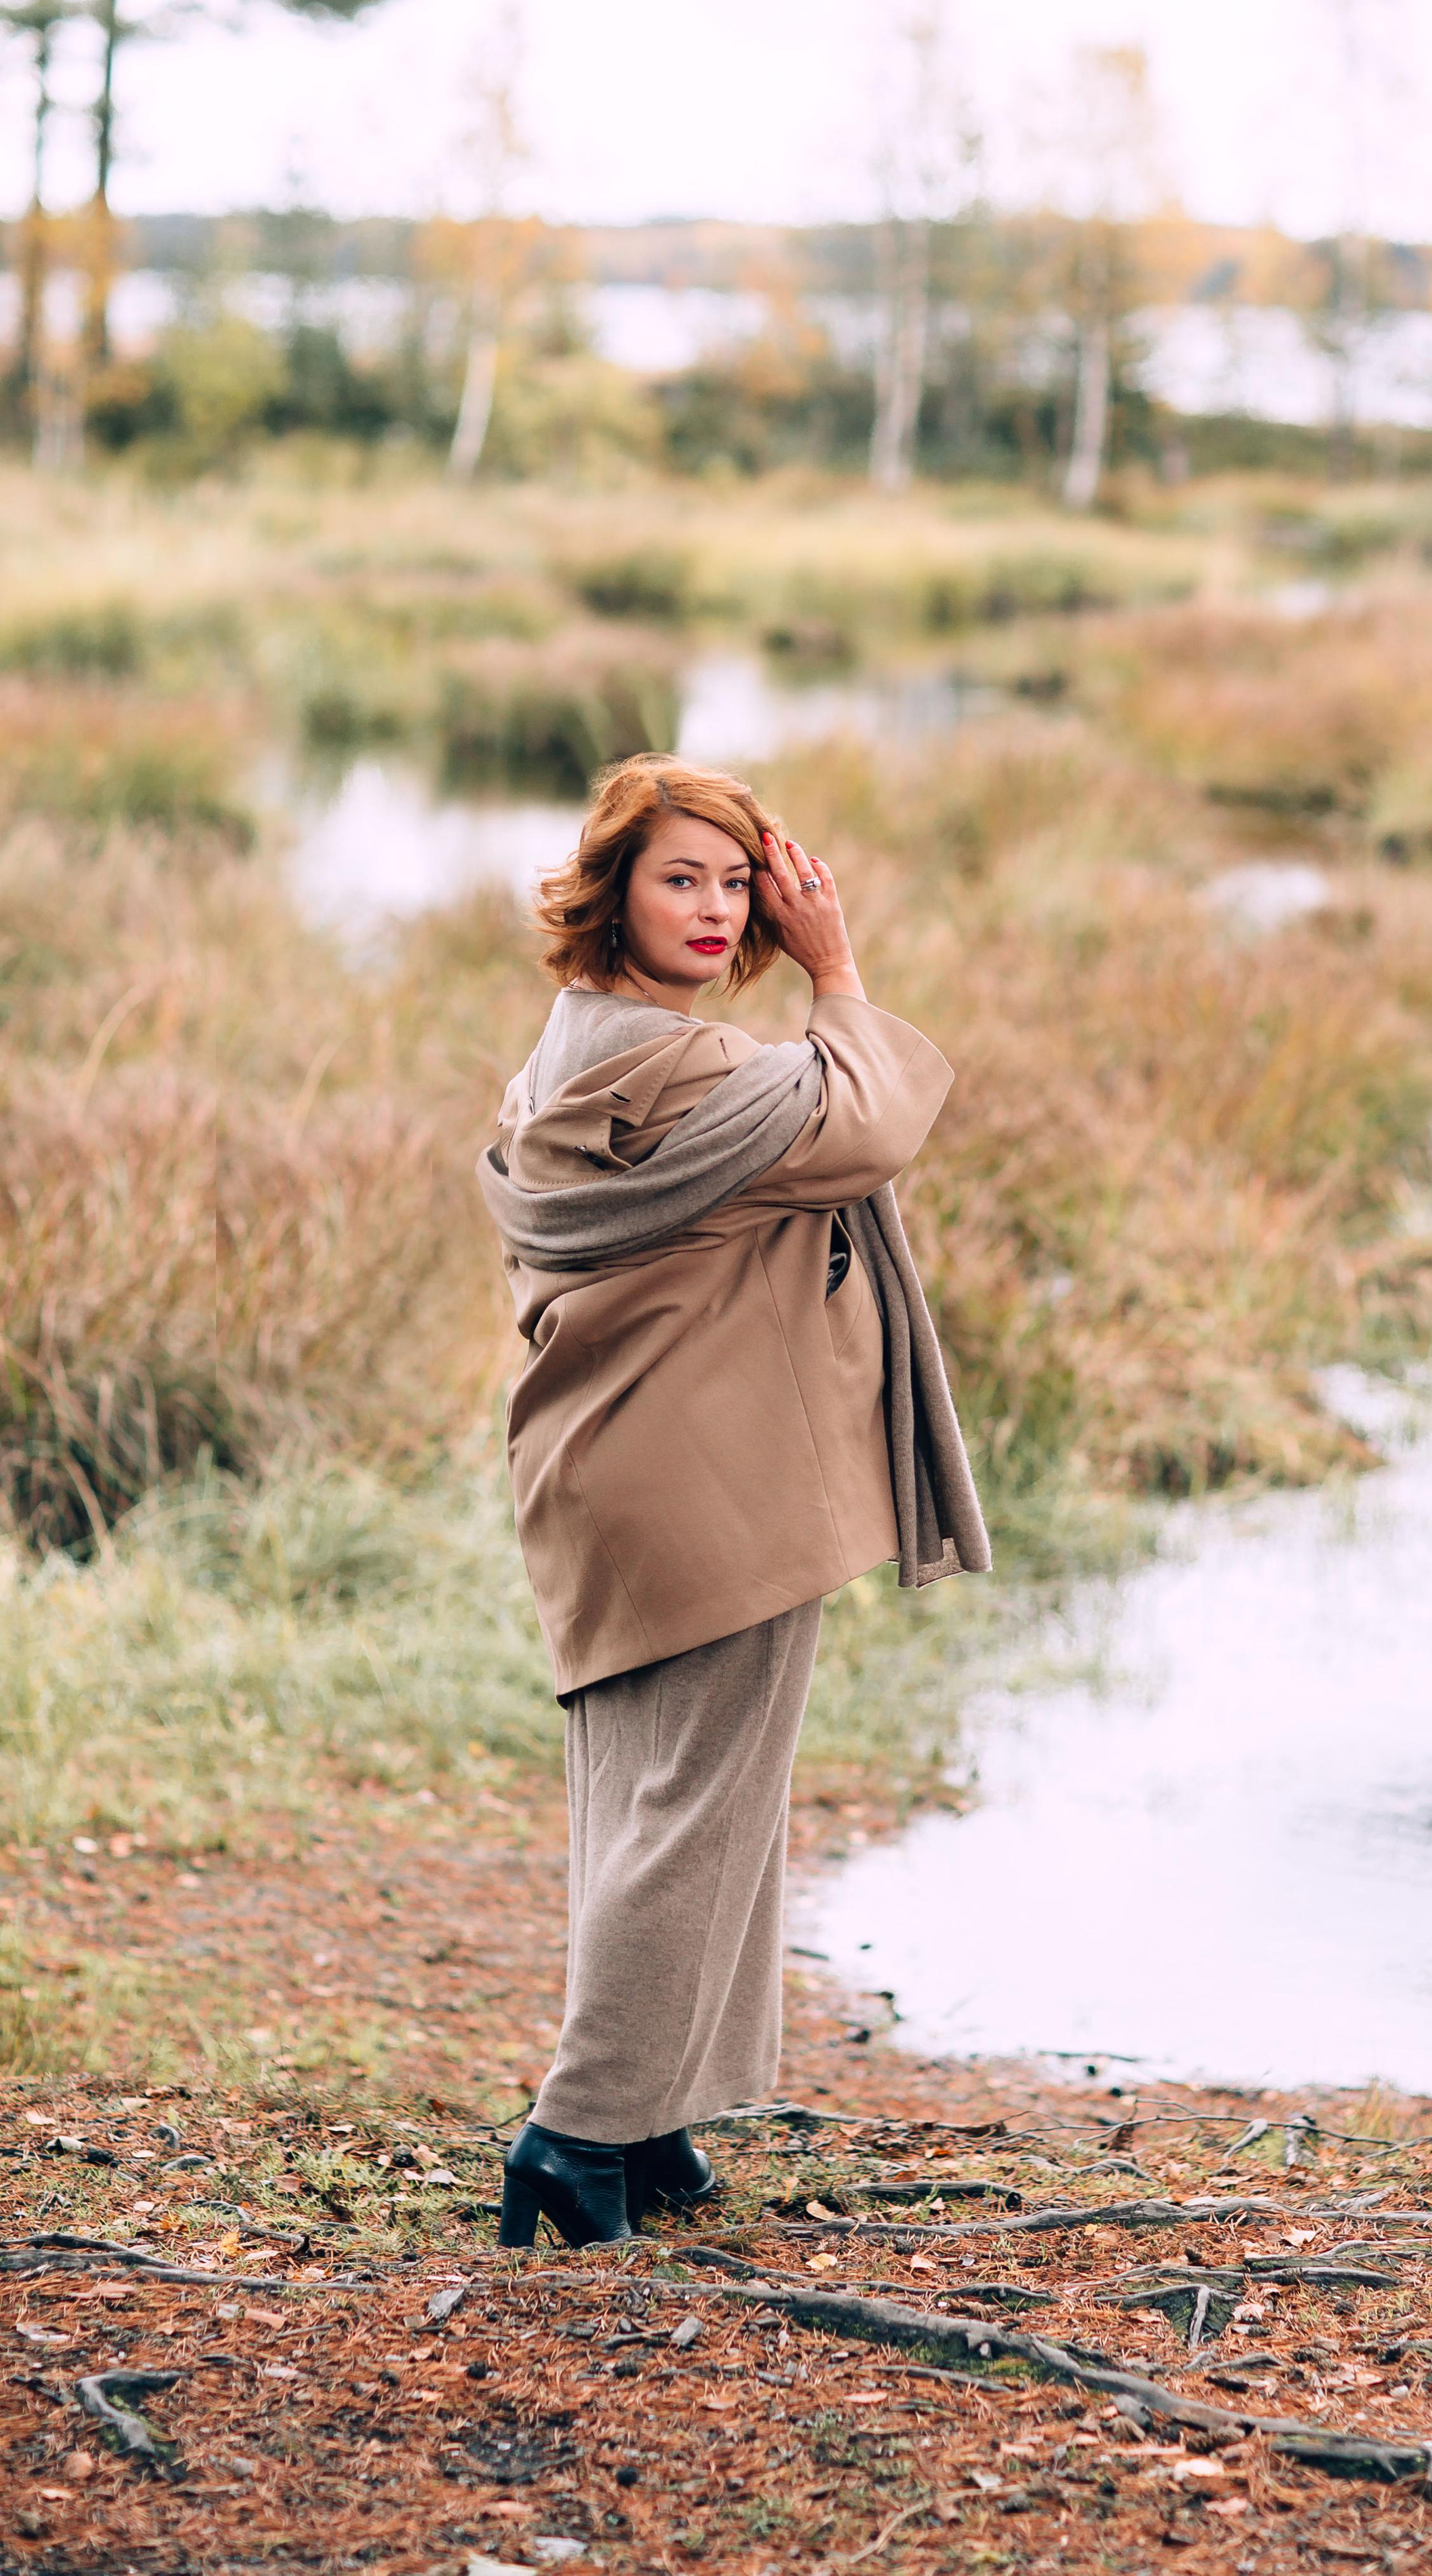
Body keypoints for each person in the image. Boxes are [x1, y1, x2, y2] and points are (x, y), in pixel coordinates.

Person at [475, 753, 989, 2249]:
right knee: (699, 1811)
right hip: (710, 1486)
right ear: (611, 895)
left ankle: (651, 2119)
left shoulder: (562, 1056)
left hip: (604, 1470)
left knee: (652, 1803)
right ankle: (576, 2135)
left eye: (732, 882)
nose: (711, 910)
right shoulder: (693, 1072)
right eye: (677, 880)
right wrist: (836, 969)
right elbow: (866, 1119)